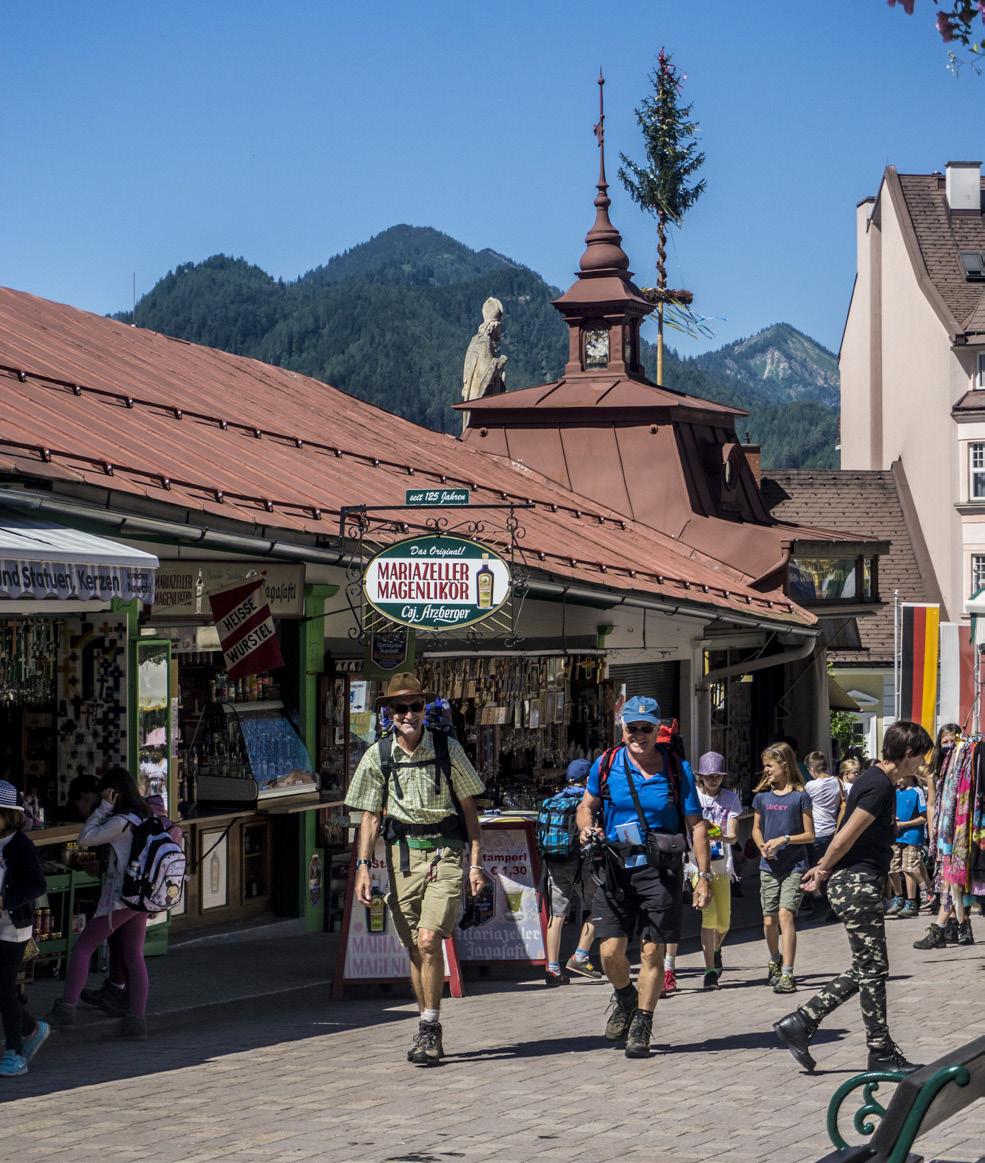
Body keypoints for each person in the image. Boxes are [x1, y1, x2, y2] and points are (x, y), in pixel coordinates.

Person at [773, 719, 934, 1075]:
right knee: (874, 969)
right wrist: (823, 868)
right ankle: (878, 1050)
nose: (921, 765)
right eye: (919, 757)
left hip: (857, 880)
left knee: (867, 968)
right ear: (906, 754)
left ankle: (802, 1022)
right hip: (855, 882)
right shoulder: (878, 786)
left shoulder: (874, 780)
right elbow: (846, 833)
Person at [345, 673, 487, 1068]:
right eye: (400, 707)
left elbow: (470, 808)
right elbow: (369, 815)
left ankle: (430, 1025)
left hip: (446, 852)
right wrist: (362, 867)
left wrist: (476, 861)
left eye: (415, 706)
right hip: (402, 857)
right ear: (389, 713)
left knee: (428, 940)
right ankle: (426, 1023)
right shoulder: (379, 756)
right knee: (412, 944)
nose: (408, 714)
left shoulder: (447, 748)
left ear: (425, 710)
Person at [576, 695, 711, 1060]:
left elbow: (697, 826)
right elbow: (586, 806)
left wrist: (703, 876)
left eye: (646, 728)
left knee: (652, 951)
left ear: (657, 729)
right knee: (609, 952)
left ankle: (643, 1025)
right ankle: (625, 996)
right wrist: (586, 829)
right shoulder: (606, 764)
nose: (638, 735)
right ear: (623, 730)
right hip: (615, 868)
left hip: (659, 870)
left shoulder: (675, 768)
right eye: (632, 728)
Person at [48, 767, 153, 1039]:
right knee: (134, 955)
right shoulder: (144, 816)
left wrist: (104, 806)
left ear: (114, 793)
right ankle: (136, 1020)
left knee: (83, 947)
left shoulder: (121, 822)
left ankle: (66, 1008)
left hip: (119, 898)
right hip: (139, 895)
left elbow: (85, 838)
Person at [752, 743, 815, 993]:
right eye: (764, 765)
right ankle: (775, 958)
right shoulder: (761, 798)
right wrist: (761, 845)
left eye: (769, 765)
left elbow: (810, 834)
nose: (766, 770)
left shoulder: (800, 796)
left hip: (795, 866)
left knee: (785, 914)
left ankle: (788, 973)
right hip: (768, 866)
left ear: (784, 765)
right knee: (769, 921)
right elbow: (756, 828)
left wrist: (785, 839)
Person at [0, 781, 49, 1076]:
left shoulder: (20, 846)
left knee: (4, 989)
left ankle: (15, 1052)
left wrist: (8, 901)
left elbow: (37, 885)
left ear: (9, 815)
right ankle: (32, 1028)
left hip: (12, 928)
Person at [541, 758, 602, 986]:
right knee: (599, 907)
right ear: (588, 779)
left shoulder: (552, 801)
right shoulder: (586, 801)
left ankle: (553, 969)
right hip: (580, 863)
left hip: (555, 862)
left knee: (557, 916)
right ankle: (580, 956)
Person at [692, 752, 741, 990]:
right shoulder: (693, 797)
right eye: (708, 776)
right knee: (709, 917)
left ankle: (716, 948)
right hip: (697, 866)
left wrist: (717, 834)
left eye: (717, 776)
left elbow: (732, 836)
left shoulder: (730, 798)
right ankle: (710, 970)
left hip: (722, 864)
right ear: (700, 776)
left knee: (725, 923)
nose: (713, 781)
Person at [804, 751, 843, 919]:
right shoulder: (837, 781)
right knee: (829, 869)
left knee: (815, 871)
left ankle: (821, 905)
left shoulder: (811, 786)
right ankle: (832, 905)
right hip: (832, 831)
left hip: (817, 832)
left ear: (812, 769)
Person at [886, 767, 929, 919]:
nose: (896, 779)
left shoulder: (917, 792)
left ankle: (912, 901)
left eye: (899, 776)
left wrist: (904, 824)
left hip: (911, 836)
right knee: (892, 868)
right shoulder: (895, 793)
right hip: (895, 837)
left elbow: (924, 817)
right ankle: (899, 898)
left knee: (909, 868)